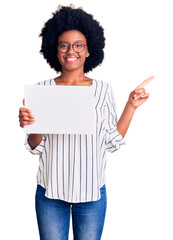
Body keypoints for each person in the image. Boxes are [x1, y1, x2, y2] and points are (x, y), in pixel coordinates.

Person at [19, 5, 154, 240]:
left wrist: (130, 106)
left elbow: (112, 142)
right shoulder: (42, 90)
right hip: (51, 194)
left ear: (89, 50)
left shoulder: (102, 90)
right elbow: (36, 147)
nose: (71, 50)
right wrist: (32, 125)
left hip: (91, 194)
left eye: (78, 44)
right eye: (64, 45)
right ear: (56, 50)